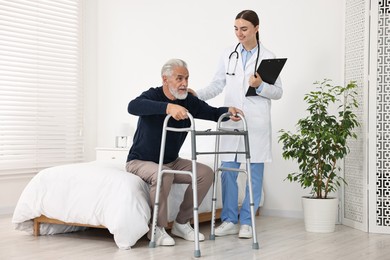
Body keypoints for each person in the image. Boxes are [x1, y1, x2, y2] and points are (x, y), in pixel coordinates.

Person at [125, 58, 243, 246]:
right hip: (140, 161)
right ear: (165, 80)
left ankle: (181, 223)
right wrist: (168, 108)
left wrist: (227, 111)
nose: (184, 84)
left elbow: (210, 112)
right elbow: (133, 106)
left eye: (186, 79)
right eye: (179, 79)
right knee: (163, 174)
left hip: (171, 160)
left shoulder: (187, 100)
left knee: (205, 174)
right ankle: (157, 228)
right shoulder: (152, 95)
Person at [190, 10, 283, 239]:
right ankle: (229, 219)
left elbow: (278, 92)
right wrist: (196, 95)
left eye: (244, 29)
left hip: (256, 123)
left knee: (253, 173)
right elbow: (217, 84)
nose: (239, 33)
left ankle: (247, 221)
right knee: (228, 172)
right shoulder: (228, 54)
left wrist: (261, 85)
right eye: (236, 28)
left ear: (256, 29)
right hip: (231, 121)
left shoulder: (268, 57)